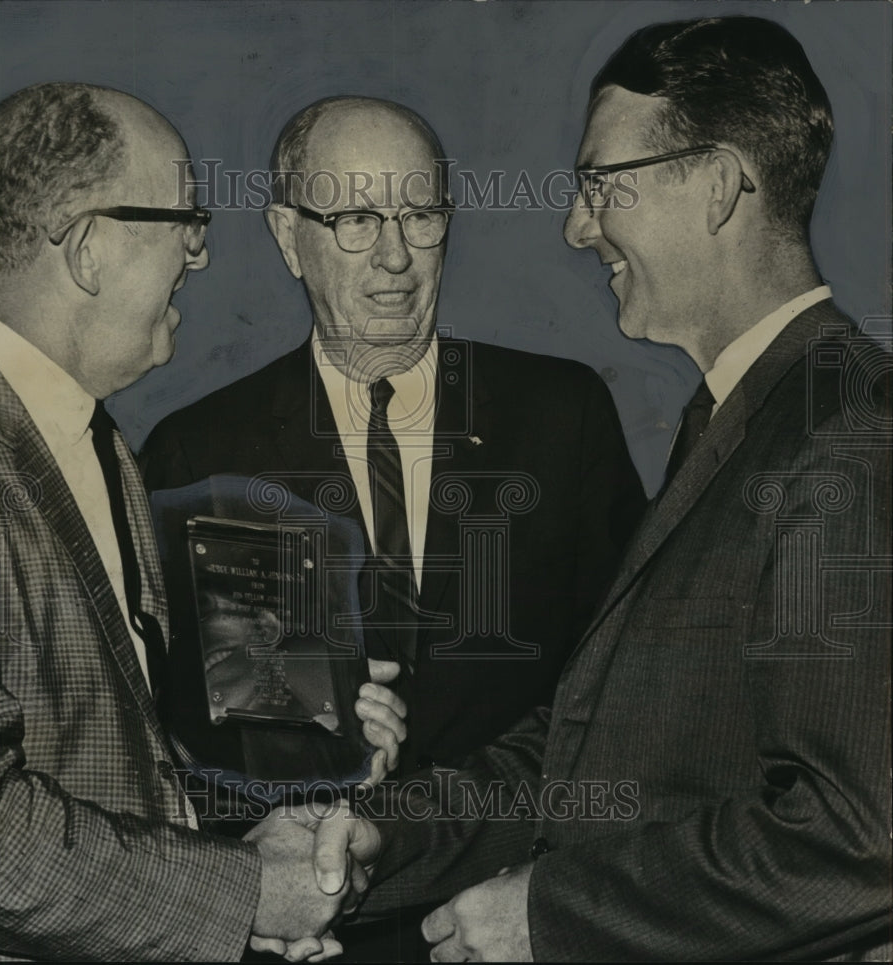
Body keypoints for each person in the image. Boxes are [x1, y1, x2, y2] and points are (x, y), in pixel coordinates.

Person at [266, 16, 892, 963]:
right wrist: (384, 834)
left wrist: (549, 914)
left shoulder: (848, 431)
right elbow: (586, 745)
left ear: (719, 186)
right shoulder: (743, 419)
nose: (576, 226)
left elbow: (859, 837)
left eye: (602, 187)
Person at [0, 82, 398, 961]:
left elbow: (110, 752)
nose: (198, 257)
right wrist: (246, 894)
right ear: (90, 250)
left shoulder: (95, 444)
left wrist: (268, 839)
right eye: (184, 223)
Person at [140, 94, 644, 956]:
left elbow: (630, 687)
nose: (396, 256)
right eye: (356, 219)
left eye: (420, 214)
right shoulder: (200, 451)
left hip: (517, 917)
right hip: (315, 927)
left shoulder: (563, 413)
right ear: (287, 235)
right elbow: (181, 734)